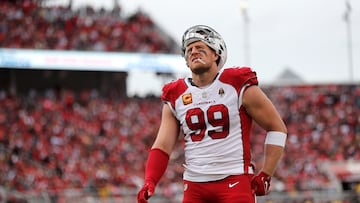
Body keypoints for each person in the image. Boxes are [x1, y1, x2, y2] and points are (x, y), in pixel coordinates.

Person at [137, 25, 287, 203]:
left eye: (200, 48)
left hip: (234, 179)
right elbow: (162, 146)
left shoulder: (237, 84)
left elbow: (277, 128)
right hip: (195, 185)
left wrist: (266, 173)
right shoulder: (175, 95)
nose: (194, 52)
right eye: (190, 50)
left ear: (216, 54)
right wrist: (150, 180)